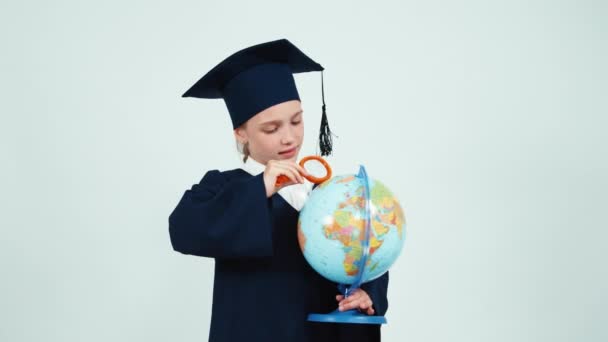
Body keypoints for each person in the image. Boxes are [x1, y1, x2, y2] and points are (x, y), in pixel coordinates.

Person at [168, 39, 389, 342]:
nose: (289, 138)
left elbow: (368, 258)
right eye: (271, 129)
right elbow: (183, 229)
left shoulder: (329, 195)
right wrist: (260, 188)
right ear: (241, 133)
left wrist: (366, 296)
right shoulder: (227, 188)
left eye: (296, 121)